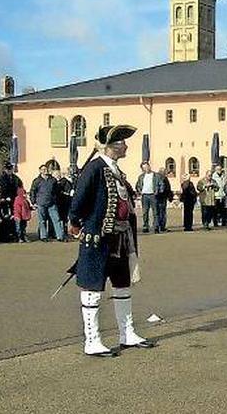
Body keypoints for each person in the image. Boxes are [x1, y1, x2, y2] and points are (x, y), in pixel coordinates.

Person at [67, 124, 156, 357]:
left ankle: (127, 333)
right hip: (98, 239)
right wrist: (75, 222)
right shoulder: (95, 168)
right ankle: (92, 340)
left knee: (122, 285)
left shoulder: (116, 171)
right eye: (123, 142)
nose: (126, 145)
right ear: (113, 146)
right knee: (92, 289)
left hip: (120, 238)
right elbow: (79, 199)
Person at [31, 165, 64, 242]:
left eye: (46, 169)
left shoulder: (52, 180)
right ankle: (43, 236)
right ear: (40, 171)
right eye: (43, 169)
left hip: (52, 203)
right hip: (41, 203)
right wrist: (33, 202)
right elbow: (33, 191)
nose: (45, 170)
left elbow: (57, 191)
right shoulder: (37, 181)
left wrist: (55, 199)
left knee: (56, 219)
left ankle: (60, 236)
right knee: (42, 221)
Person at [135, 162, 162, 234]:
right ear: (142, 169)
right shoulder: (141, 176)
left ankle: (156, 227)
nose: (146, 169)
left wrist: (158, 191)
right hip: (145, 196)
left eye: (147, 167)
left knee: (155, 212)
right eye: (144, 168)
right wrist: (140, 191)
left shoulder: (156, 175)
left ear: (149, 166)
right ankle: (145, 226)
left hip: (153, 195)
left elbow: (161, 184)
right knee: (145, 212)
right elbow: (137, 185)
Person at [55, 169, 75, 239]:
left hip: (67, 201)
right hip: (64, 202)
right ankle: (64, 232)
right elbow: (60, 191)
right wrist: (66, 193)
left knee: (65, 218)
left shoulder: (68, 181)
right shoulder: (63, 181)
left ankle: (66, 232)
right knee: (63, 218)